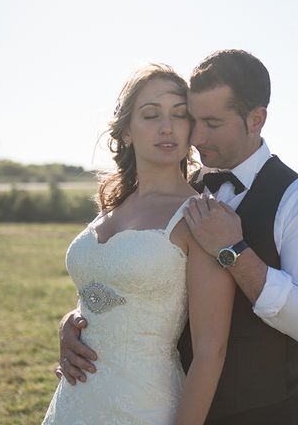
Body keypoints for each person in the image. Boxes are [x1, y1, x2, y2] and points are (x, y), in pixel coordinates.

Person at [57, 50, 298, 424]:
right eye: (194, 119)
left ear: (257, 119)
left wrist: (233, 251)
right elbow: (143, 282)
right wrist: (79, 321)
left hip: (260, 412)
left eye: (212, 123)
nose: (195, 135)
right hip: (165, 396)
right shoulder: (180, 189)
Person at [43, 64, 235, 424]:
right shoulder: (114, 207)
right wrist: (69, 322)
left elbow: (212, 352)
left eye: (180, 115)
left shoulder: (200, 217)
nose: (167, 127)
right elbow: (108, 291)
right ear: (127, 131)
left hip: (145, 406)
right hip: (75, 403)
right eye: (151, 115)